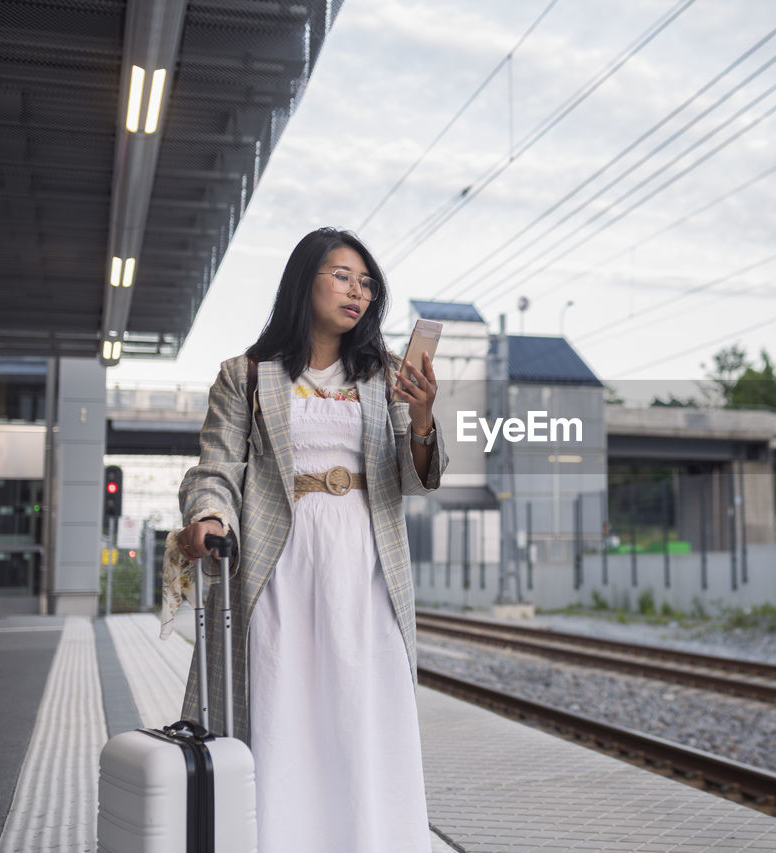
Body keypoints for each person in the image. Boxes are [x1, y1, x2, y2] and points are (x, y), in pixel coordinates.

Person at [161, 226, 445, 852]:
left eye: (367, 284)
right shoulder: (246, 375)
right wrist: (209, 518)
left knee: (362, 715)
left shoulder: (387, 376)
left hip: (366, 570)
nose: (357, 292)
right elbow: (215, 467)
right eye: (343, 276)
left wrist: (422, 420)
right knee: (282, 711)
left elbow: (417, 480)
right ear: (303, 280)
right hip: (278, 567)